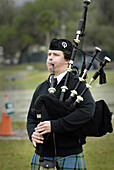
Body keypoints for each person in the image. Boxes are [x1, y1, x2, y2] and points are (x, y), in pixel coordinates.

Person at [27, 38, 95, 169]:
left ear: (68, 61)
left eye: (56, 55)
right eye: (49, 54)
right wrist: (32, 135)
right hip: (42, 154)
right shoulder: (41, 87)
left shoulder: (77, 85)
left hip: (69, 153)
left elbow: (87, 110)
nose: (50, 59)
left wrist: (55, 126)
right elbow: (31, 118)